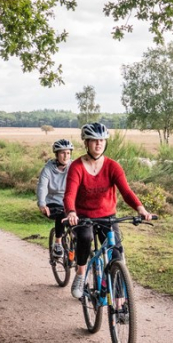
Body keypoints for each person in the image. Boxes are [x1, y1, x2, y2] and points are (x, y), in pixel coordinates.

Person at [64, 123, 154, 299]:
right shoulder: (77, 167)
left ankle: (120, 304)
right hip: (83, 216)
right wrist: (71, 213)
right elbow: (69, 194)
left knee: (117, 254)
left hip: (108, 216)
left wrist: (141, 209)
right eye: (95, 140)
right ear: (87, 142)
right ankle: (81, 274)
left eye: (102, 140)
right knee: (85, 237)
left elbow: (126, 192)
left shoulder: (113, 166)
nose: (99, 144)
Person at [36, 139, 74, 258]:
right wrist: (42, 203)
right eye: (62, 153)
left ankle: (75, 245)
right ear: (57, 155)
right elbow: (42, 187)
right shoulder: (48, 169)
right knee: (62, 214)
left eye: (68, 153)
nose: (66, 156)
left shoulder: (73, 166)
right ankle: (57, 243)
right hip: (52, 202)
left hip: (69, 200)